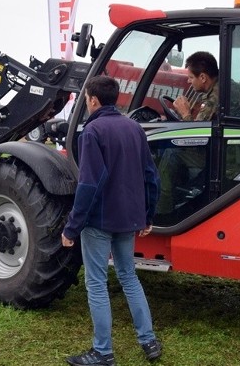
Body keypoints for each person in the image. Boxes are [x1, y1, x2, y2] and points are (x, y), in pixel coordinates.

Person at [61, 75, 163, 365]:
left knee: (96, 283)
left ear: (92, 100)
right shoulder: (134, 128)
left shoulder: (91, 132)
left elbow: (89, 185)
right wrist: (148, 215)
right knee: (129, 277)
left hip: (100, 222)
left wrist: (72, 227)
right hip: (129, 219)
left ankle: (103, 352)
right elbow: (151, 176)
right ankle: (149, 340)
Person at [172, 51, 219, 122]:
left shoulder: (213, 100)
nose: (188, 81)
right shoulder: (223, 84)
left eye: (191, 77)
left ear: (203, 78)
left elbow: (197, 131)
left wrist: (185, 114)